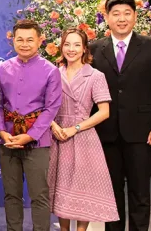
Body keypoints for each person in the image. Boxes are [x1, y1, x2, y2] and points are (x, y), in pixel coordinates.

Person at [89, 0, 151, 231]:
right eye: (116, 14)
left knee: (140, 192)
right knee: (111, 193)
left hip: (142, 131)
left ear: (135, 16)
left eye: (127, 13)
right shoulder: (95, 49)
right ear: (107, 18)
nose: (121, 19)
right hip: (106, 131)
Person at [0, 19, 62, 231]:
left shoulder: (51, 71)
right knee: (11, 194)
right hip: (8, 140)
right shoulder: (1, 69)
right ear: (13, 41)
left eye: (29, 40)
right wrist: (2, 132)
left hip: (37, 142)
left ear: (40, 41)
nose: (24, 44)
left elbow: (51, 108)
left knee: (39, 195)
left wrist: (30, 135)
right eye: (19, 39)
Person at [48, 27, 118, 231]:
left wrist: (76, 128)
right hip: (57, 137)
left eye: (77, 45)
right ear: (61, 47)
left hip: (84, 138)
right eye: (67, 44)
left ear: (85, 48)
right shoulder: (53, 74)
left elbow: (104, 112)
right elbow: (44, 107)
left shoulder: (95, 76)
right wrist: (53, 125)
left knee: (82, 189)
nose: (71, 49)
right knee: (61, 190)